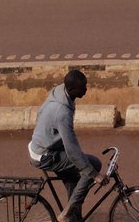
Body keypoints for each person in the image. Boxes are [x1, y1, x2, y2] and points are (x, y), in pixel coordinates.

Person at [29, 69, 104, 222]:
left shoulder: (59, 92)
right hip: (45, 155)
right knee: (93, 165)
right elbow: (71, 150)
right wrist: (94, 174)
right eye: (82, 88)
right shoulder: (62, 112)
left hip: (45, 146)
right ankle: (66, 214)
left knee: (76, 179)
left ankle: (74, 219)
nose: (85, 90)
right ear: (71, 89)